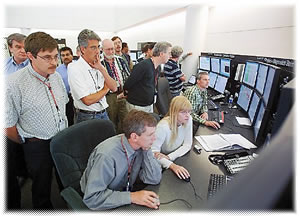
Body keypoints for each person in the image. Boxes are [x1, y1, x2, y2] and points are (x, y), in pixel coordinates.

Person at [5, 31, 68, 209]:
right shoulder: (13, 84)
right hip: (36, 145)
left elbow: (63, 105)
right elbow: (8, 127)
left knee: (66, 180)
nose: (54, 62)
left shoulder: (56, 76)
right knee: (41, 190)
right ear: (31, 56)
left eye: (56, 56)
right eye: (47, 57)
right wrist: (29, 141)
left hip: (62, 140)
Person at [80, 110, 162, 210]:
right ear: (134, 137)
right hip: (102, 200)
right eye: (150, 135)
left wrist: (147, 151)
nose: (154, 139)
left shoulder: (141, 146)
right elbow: (92, 198)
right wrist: (132, 197)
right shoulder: (107, 156)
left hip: (124, 192)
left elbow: (154, 178)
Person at [68, 29, 117, 123]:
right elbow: (87, 100)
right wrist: (105, 89)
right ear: (83, 49)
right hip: (87, 116)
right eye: (93, 48)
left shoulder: (99, 65)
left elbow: (114, 87)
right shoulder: (74, 68)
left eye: (98, 47)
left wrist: (101, 69)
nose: (98, 51)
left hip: (103, 112)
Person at [124, 41, 172, 113]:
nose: (170, 56)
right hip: (138, 106)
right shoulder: (143, 66)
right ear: (161, 54)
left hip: (149, 105)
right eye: (169, 53)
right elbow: (128, 84)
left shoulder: (157, 68)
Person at [152, 96, 192, 180]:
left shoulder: (188, 120)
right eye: (183, 112)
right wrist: (172, 165)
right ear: (174, 112)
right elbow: (153, 153)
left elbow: (187, 145)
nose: (187, 115)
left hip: (171, 157)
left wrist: (170, 157)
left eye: (189, 112)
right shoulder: (163, 127)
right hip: (162, 161)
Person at [101, 39, 131, 133]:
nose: (111, 52)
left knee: (125, 120)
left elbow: (127, 75)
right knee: (111, 120)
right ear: (102, 49)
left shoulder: (120, 60)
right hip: (110, 96)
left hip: (123, 94)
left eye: (112, 49)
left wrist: (126, 91)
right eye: (108, 49)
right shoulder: (100, 63)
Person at [56, 46, 75, 126]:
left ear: (72, 55)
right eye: (63, 55)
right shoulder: (57, 70)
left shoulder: (78, 66)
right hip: (67, 98)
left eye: (67, 54)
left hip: (80, 96)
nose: (65, 57)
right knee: (70, 118)